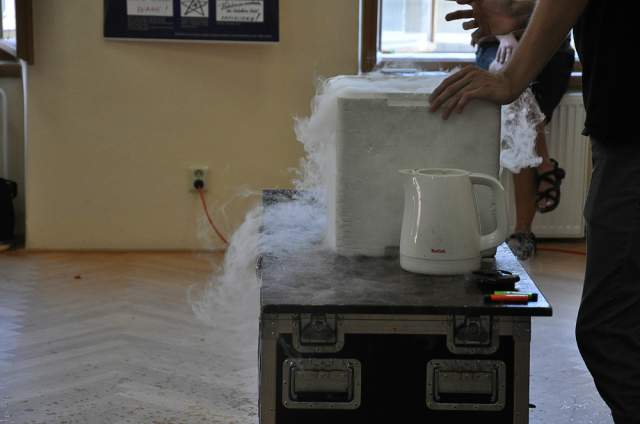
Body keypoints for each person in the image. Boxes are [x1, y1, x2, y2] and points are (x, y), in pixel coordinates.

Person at [430, 1, 640, 423]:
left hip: (630, 137)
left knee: (610, 330)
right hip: (621, 130)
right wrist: (522, 11)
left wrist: (510, 77)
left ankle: (535, 198)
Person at [474, 8, 574, 260]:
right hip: (495, 46)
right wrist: (506, 37)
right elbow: (487, 9)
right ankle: (544, 169)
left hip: (551, 50)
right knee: (517, 106)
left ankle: (544, 173)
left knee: (518, 115)